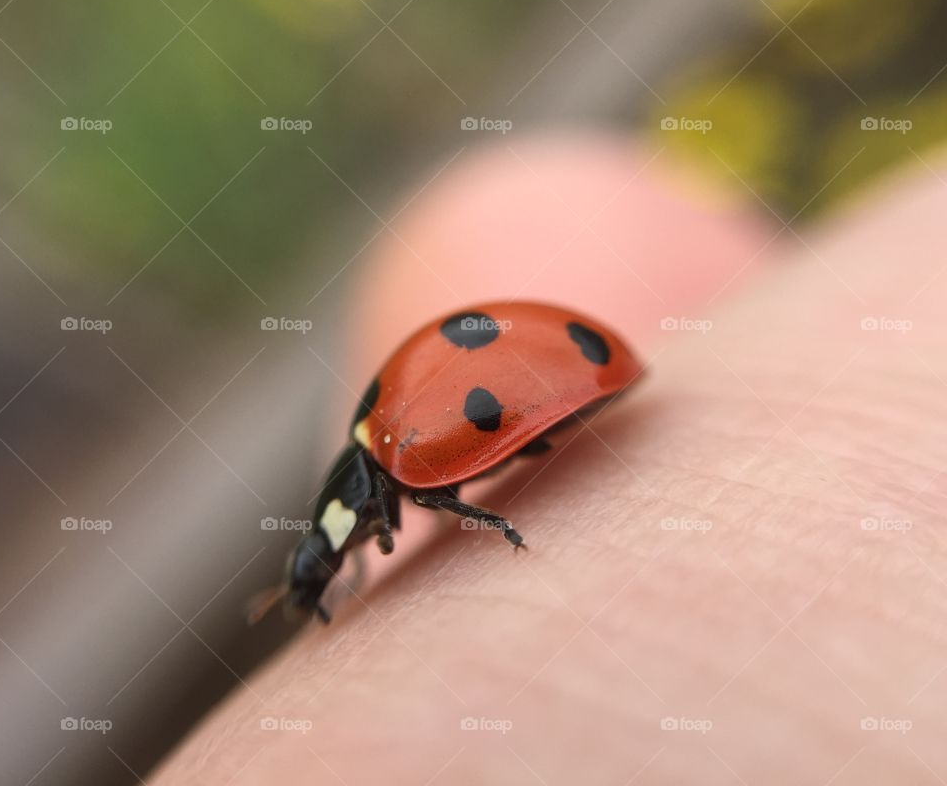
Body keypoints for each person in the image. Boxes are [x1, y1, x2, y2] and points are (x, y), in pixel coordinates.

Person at [151, 132, 947, 785]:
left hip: (582, 360)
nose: (343, 549)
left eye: (335, 548)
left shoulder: (398, 452)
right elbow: (362, 522)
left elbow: (373, 514)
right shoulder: (381, 463)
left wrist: (479, 519)